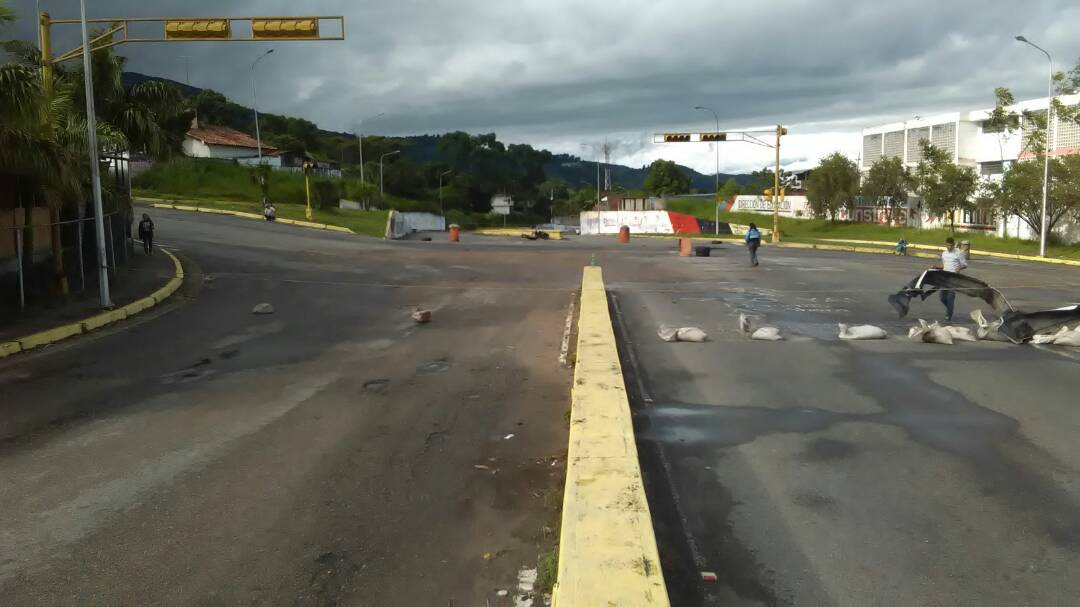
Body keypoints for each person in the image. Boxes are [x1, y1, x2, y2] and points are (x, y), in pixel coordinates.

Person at [932, 237, 968, 322]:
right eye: (948, 245)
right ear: (946, 245)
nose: (949, 247)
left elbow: (965, 264)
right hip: (945, 277)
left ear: (953, 244)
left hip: (954, 278)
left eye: (951, 245)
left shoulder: (959, 253)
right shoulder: (944, 253)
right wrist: (936, 267)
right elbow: (944, 266)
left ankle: (948, 315)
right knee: (942, 297)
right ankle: (950, 308)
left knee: (950, 297)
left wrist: (959, 268)